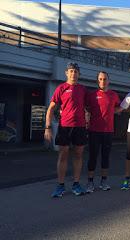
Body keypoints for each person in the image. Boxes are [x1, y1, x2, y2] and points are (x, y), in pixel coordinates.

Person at [44, 62, 87, 198]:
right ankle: (61, 185)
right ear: (66, 73)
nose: (73, 74)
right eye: (71, 71)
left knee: (79, 154)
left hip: (80, 126)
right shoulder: (61, 88)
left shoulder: (83, 89)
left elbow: (89, 108)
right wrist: (48, 127)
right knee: (63, 155)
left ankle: (76, 184)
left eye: (76, 71)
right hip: (65, 126)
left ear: (79, 74)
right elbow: (51, 108)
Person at [85, 71, 120, 193]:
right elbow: (86, 108)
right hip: (94, 130)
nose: (102, 81)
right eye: (100, 79)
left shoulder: (114, 95)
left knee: (105, 157)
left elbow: (119, 107)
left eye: (104, 79)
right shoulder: (92, 95)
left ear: (108, 81)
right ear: (97, 81)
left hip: (108, 131)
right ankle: (90, 182)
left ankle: (104, 181)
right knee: (93, 156)